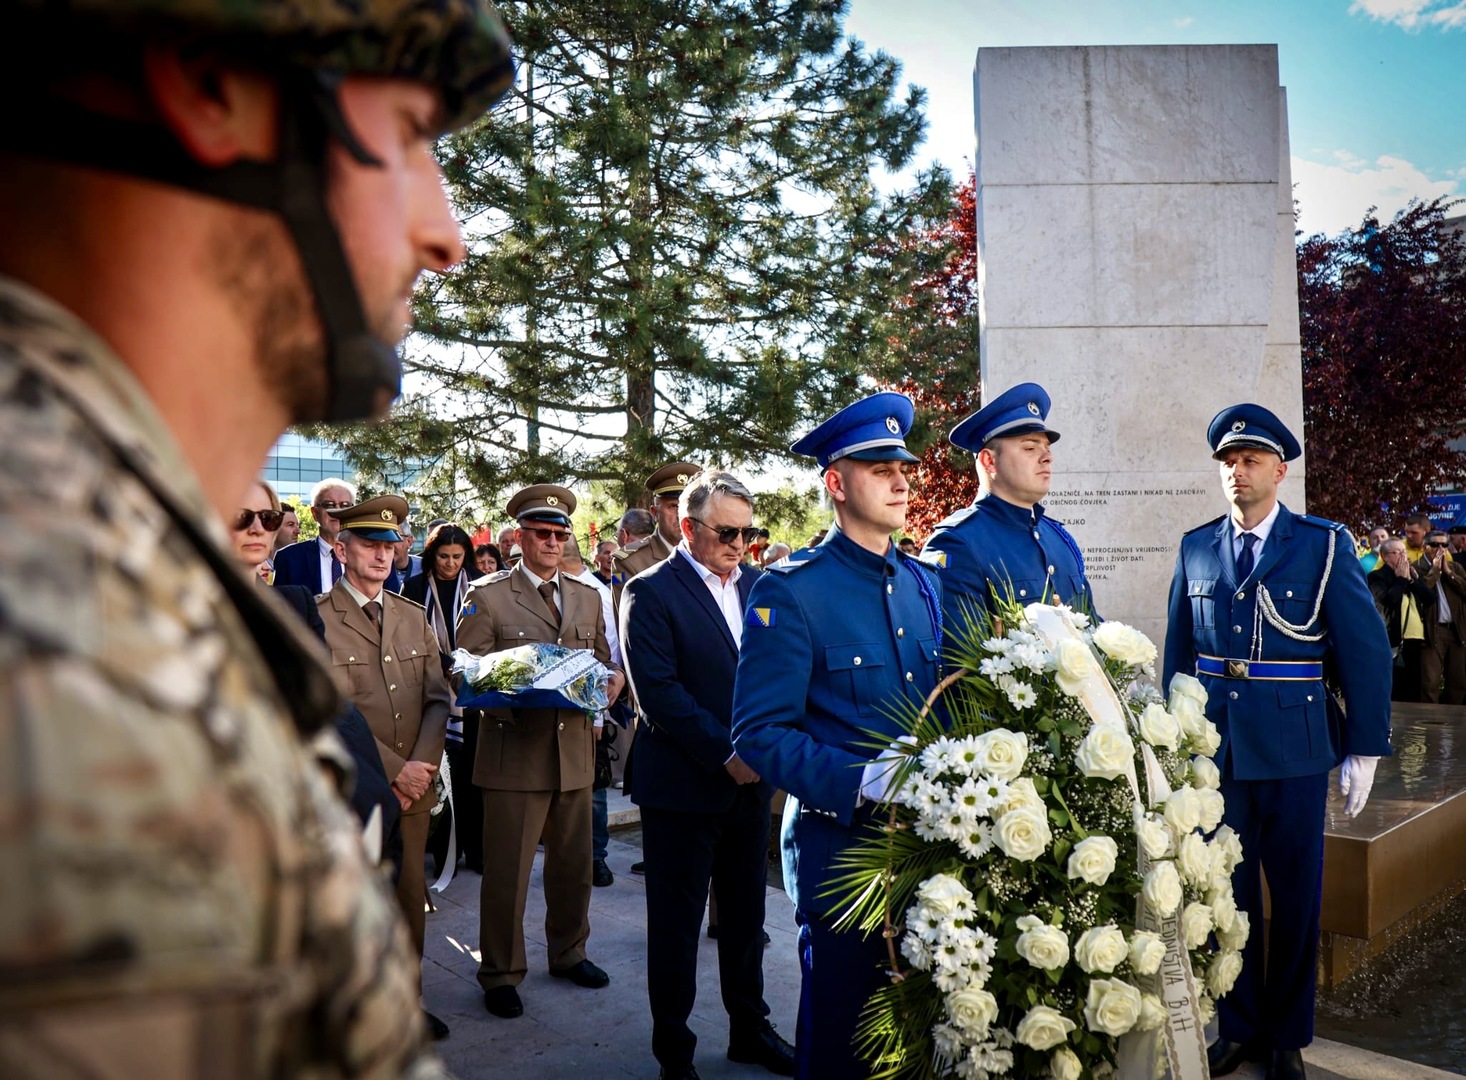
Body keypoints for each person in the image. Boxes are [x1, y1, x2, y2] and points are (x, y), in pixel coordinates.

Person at [0, 0, 513, 1072]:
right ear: (209, 83)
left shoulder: (112, 553)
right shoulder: (59, 630)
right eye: (410, 137)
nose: (446, 237)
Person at [1163, 404, 1392, 1080]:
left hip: (1295, 750)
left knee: (1295, 898)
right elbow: (1179, 653)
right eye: (1229, 462)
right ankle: (1238, 1027)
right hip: (1219, 754)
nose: (1237, 471)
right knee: (1225, 896)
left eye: (1251, 460)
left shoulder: (1323, 545)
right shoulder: (1196, 546)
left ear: (1279, 471)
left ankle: (1288, 1035)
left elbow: (1364, 650)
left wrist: (1364, 748)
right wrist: (1174, 743)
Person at [732, 392, 943, 1080]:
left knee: (921, 1048)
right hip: (844, 862)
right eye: (881, 469)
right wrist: (863, 781)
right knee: (843, 1050)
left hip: (930, 855)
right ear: (837, 483)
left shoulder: (924, 584)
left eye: (903, 468)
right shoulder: (791, 591)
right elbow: (758, 732)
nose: (901, 481)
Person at [622, 470, 794, 1080]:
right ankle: (675, 1053)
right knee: (676, 929)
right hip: (684, 790)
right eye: (727, 533)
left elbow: (779, 672)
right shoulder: (649, 591)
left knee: (746, 921)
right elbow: (658, 694)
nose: (740, 544)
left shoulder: (762, 586)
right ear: (689, 528)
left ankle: (750, 1030)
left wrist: (770, 745)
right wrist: (728, 754)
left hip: (752, 788)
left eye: (749, 532)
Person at [455, 485, 626, 1020]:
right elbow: (464, 671)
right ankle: (501, 972)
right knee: (508, 875)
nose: (553, 542)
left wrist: (612, 682)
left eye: (560, 533)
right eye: (542, 533)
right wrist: (521, 687)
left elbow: (601, 660)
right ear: (520, 538)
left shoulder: (587, 595)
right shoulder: (487, 595)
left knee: (574, 868)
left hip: (573, 752)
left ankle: (570, 952)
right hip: (514, 752)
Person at [318, 496, 452, 1039]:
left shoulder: (412, 616)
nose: (382, 554)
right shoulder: (317, 618)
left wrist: (420, 766)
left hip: (413, 790)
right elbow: (325, 711)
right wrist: (394, 770)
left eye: (389, 545)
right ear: (341, 549)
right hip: (355, 790)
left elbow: (438, 699)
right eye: (369, 544)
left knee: (408, 900)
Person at [232, 478, 404, 874]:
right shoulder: (182, 610)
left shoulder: (295, 603)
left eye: (268, 517)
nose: (257, 528)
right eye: (241, 517)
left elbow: (325, 704)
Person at [922, 383, 1094, 633]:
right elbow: (962, 653)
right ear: (989, 461)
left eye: (1047, 448)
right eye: (1030, 448)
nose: (1047, 457)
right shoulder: (957, 544)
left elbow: (1092, 630)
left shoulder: (1060, 539)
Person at [406, 523, 483, 875]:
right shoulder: (415, 587)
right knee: (442, 776)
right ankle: (444, 853)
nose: (450, 564)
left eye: (457, 556)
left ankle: (478, 850)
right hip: (432, 689)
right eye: (443, 556)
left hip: (472, 691)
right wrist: (444, 664)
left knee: (474, 776)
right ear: (431, 555)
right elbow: (408, 635)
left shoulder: (479, 585)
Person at [559, 533, 623, 888]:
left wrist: (597, 712)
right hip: (554, 710)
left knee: (594, 789)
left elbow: (606, 657)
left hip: (588, 711)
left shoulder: (594, 593)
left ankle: (596, 856)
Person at [611, 462, 702, 607]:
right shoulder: (630, 562)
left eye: (689, 507)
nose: (681, 515)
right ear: (655, 513)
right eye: (673, 506)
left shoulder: (710, 554)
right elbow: (631, 619)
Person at [1368, 538, 1433, 702]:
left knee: (1414, 685)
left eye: (1404, 552)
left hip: (1415, 637)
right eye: (1397, 553)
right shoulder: (1376, 577)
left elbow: (1430, 598)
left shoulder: (1410, 575)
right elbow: (1389, 600)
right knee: (1396, 685)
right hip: (1393, 638)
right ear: (1385, 556)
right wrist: (1401, 580)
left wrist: (1412, 580)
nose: (1403, 556)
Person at [274, 477, 358, 592]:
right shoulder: (289, 559)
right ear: (314, 513)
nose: (337, 511)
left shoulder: (368, 556)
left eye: (345, 505)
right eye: (329, 505)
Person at [1417, 529, 1466, 705]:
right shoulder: (1417, 568)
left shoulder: (1455, 568)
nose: (1440, 549)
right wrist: (1435, 571)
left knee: (1458, 681)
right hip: (1432, 631)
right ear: (1425, 546)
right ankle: (1430, 719)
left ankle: (1454, 719)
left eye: (1444, 545)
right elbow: (1420, 593)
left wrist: (1448, 573)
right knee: (1430, 682)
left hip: (1457, 630)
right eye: (1435, 545)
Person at [387, 516, 422, 594]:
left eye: (395, 537)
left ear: (409, 541)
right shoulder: (373, 569)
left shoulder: (425, 568)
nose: (389, 544)